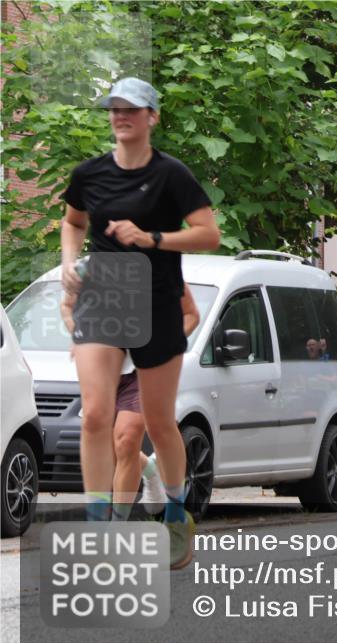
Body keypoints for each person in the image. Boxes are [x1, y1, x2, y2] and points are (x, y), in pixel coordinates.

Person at [60, 78, 220, 568]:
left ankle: (174, 512)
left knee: (159, 424)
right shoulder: (90, 174)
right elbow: (73, 222)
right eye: (114, 108)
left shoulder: (173, 176)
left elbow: (208, 235)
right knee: (94, 416)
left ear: (152, 117)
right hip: (105, 297)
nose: (120, 116)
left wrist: (152, 238)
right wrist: (69, 262)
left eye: (132, 109)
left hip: (156, 301)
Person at [62, 283, 200, 519]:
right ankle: (150, 471)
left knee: (126, 441)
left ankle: (116, 525)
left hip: (141, 371)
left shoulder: (158, 265)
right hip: (102, 369)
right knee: (108, 446)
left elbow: (191, 315)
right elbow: (66, 305)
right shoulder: (92, 268)